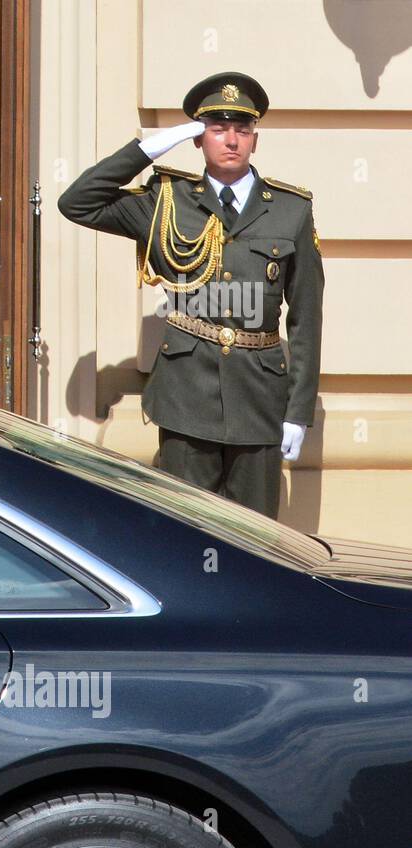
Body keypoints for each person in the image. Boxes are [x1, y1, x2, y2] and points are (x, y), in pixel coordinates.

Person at [58, 71, 324, 519]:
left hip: (258, 397)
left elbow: (306, 319)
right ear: (199, 138)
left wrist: (298, 411)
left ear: (255, 140)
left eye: (242, 130)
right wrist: (150, 148)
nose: (232, 140)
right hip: (185, 396)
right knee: (186, 527)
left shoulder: (291, 210)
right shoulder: (165, 199)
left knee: (256, 535)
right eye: (218, 129)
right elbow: (78, 202)